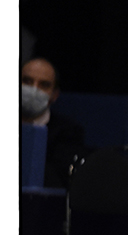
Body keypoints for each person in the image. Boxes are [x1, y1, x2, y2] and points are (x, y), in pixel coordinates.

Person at [20, 57, 87, 188]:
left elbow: (57, 181)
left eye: (44, 85)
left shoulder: (69, 133)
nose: (34, 89)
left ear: (55, 95)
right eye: (27, 81)